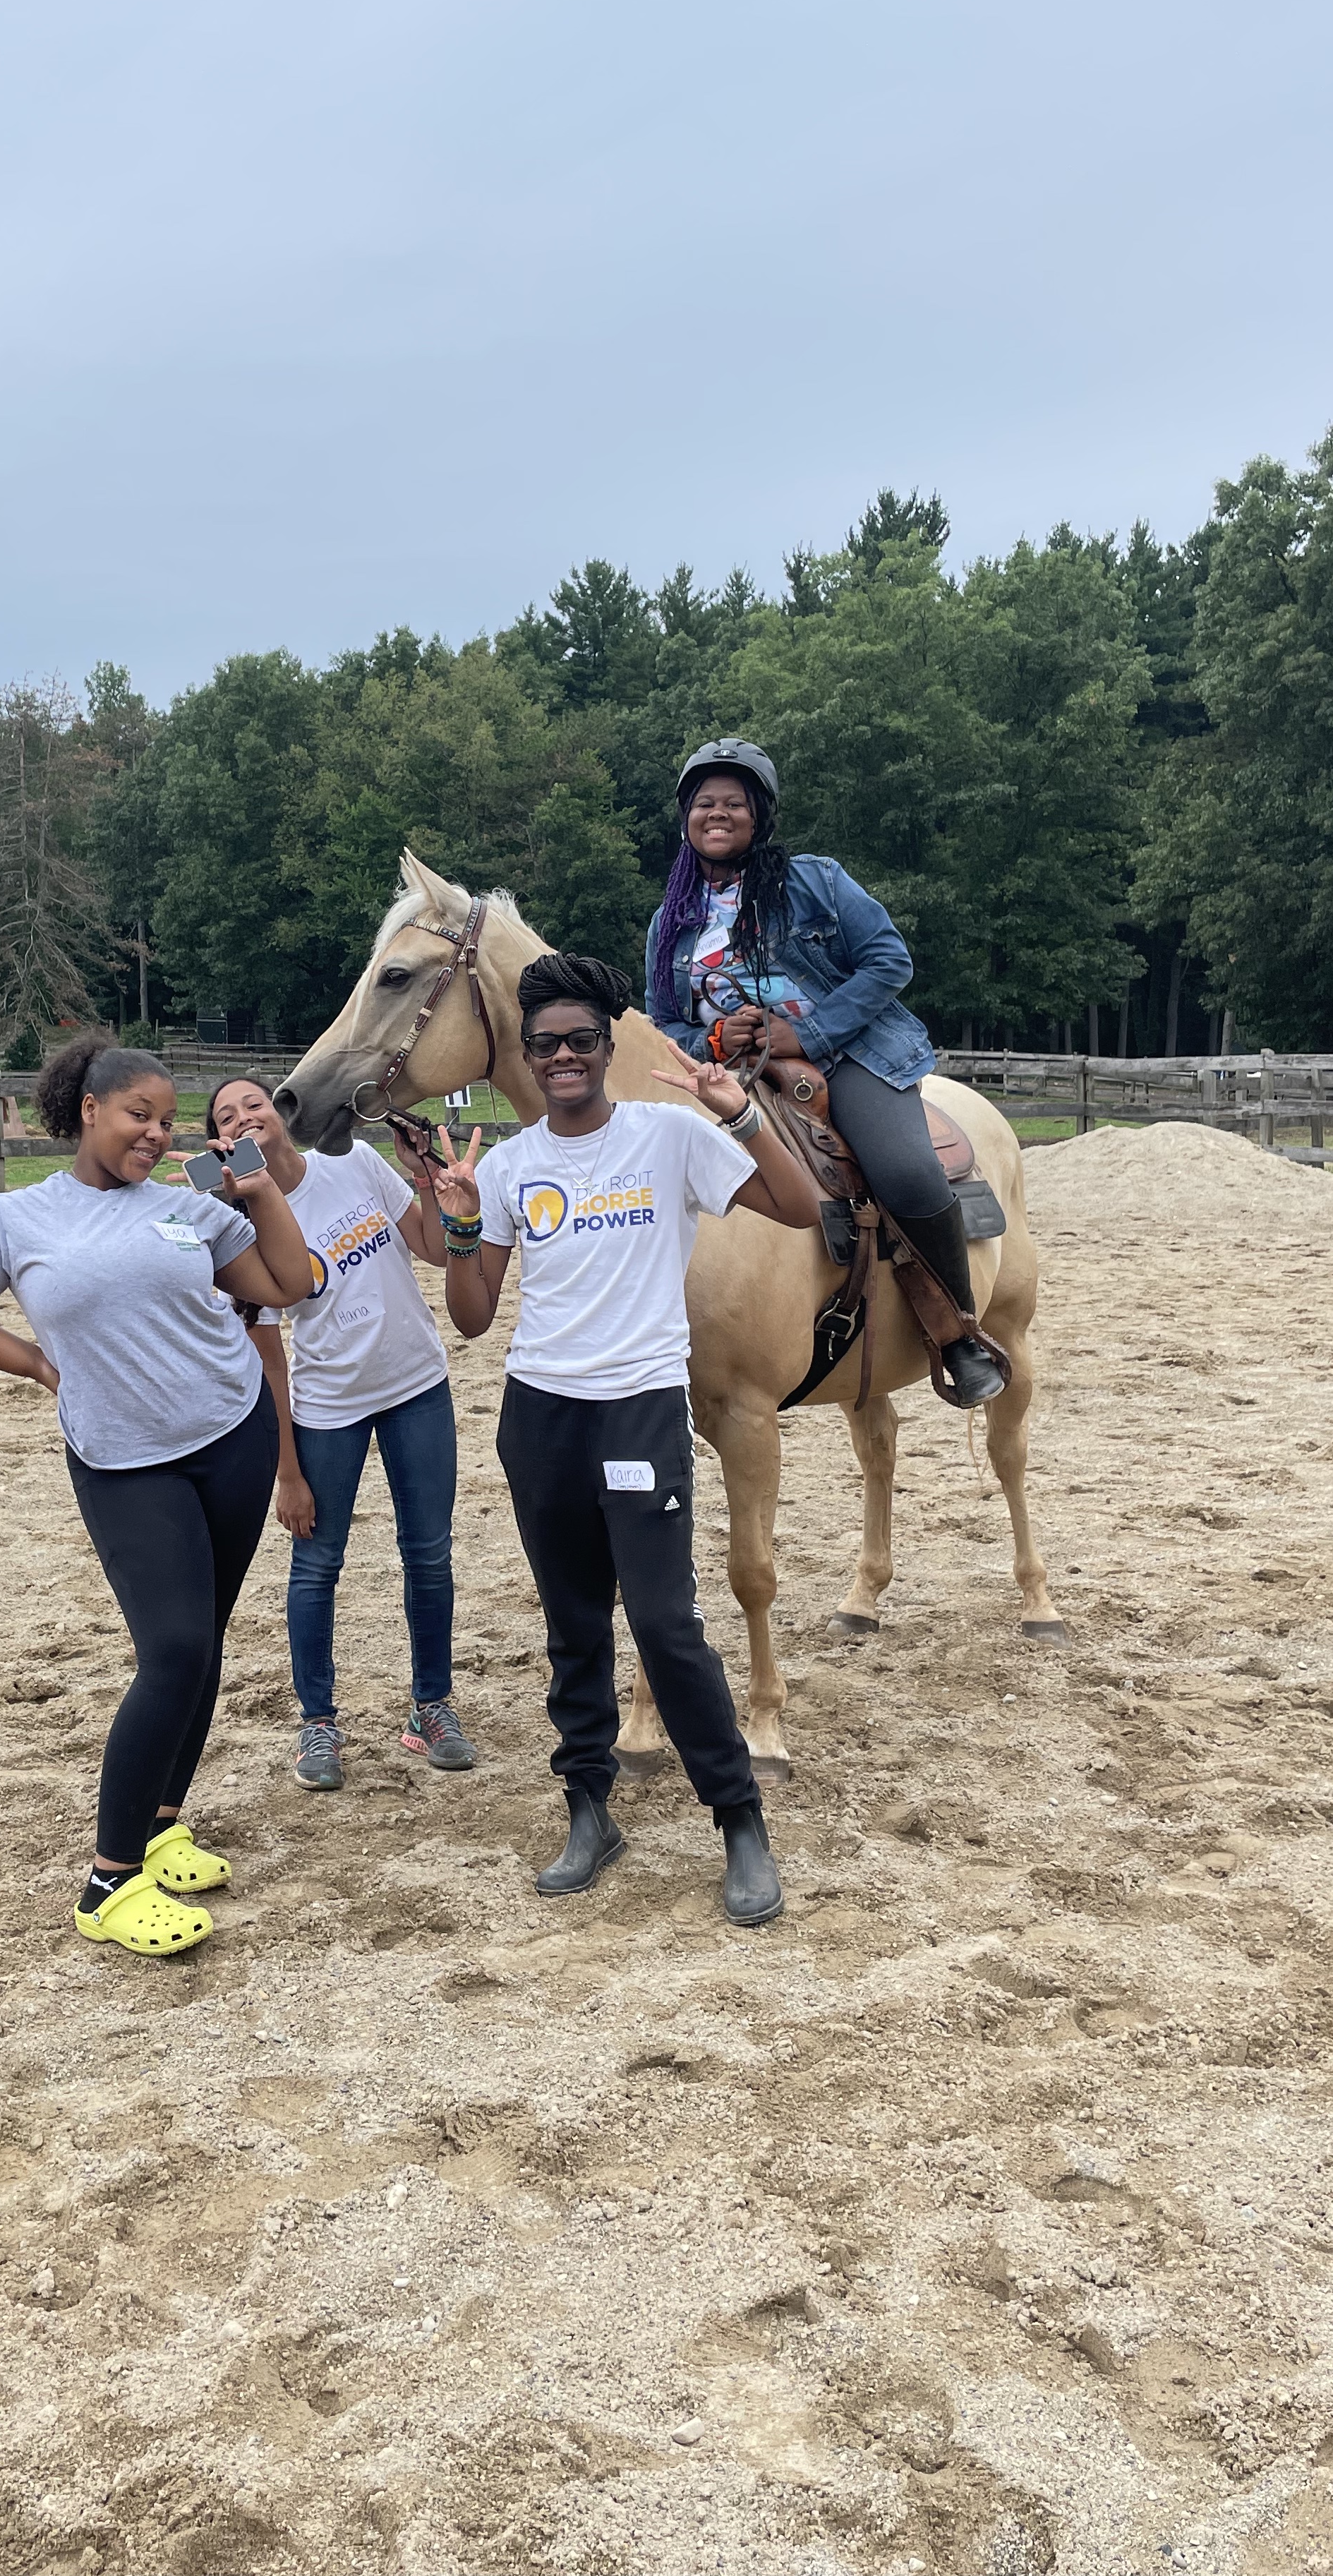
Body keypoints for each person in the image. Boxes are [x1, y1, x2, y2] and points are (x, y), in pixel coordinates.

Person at [0, 1033, 311, 1960]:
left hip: (232, 1436)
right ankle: (110, 1879)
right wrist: (37, 1363)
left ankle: (163, 1826)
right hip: (124, 1461)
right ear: (89, 1110)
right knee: (171, 1651)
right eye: (139, 1116)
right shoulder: (17, 1219)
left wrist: (262, 1192)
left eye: (166, 1121)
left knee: (202, 1648)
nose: (157, 1136)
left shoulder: (190, 1208)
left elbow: (292, 1284)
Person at [429, 951, 824, 1925]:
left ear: (608, 1049)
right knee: (572, 1629)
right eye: (545, 1044)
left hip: (640, 1406)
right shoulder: (514, 1163)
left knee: (663, 1624)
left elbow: (803, 1208)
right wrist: (466, 1223)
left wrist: (736, 1113)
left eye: (581, 1041)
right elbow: (475, 1317)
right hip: (541, 1417)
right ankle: (588, 1812)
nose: (563, 1056)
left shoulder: (665, 1138)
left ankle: (739, 1821)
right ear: (525, 1056)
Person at [644, 737, 1007, 1406]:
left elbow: (889, 960)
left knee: (904, 1170)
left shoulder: (817, 880)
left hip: (851, 1055)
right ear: (686, 817)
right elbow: (663, 1022)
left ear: (761, 815)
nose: (716, 814)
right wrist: (716, 1034)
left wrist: (804, 1032)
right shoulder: (671, 921)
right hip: (730, 1072)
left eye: (734, 802)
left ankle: (957, 1332)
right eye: (703, 804)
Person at [205, 1073, 474, 1792]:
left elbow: (433, 1250)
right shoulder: (241, 1224)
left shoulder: (350, 1161)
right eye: (227, 1118)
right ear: (219, 1143)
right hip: (328, 1408)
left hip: (417, 1384)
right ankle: (318, 1722)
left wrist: (424, 1182)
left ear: (281, 1111)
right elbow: (269, 1359)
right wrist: (286, 1470)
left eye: (253, 1103)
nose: (244, 1117)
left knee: (430, 1554)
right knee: (317, 1567)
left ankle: (431, 1707)